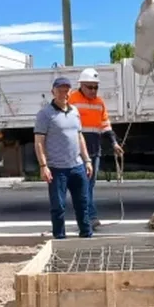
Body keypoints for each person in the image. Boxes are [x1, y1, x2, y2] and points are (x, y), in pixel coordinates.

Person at [34, 77, 95, 239]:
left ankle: (86, 236)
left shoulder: (75, 111)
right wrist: (43, 166)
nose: (64, 93)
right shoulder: (45, 114)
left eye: (67, 90)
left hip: (78, 167)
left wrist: (87, 160)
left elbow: (79, 137)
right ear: (52, 92)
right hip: (57, 169)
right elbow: (39, 142)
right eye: (60, 90)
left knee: (83, 205)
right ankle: (60, 239)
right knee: (58, 207)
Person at [68, 67, 124, 230]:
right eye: (90, 87)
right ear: (81, 85)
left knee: (89, 186)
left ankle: (88, 217)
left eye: (96, 87)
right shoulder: (72, 99)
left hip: (94, 151)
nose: (93, 90)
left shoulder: (99, 103)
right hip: (77, 151)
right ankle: (88, 217)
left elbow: (105, 125)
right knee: (83, 185)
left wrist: (114, 143)